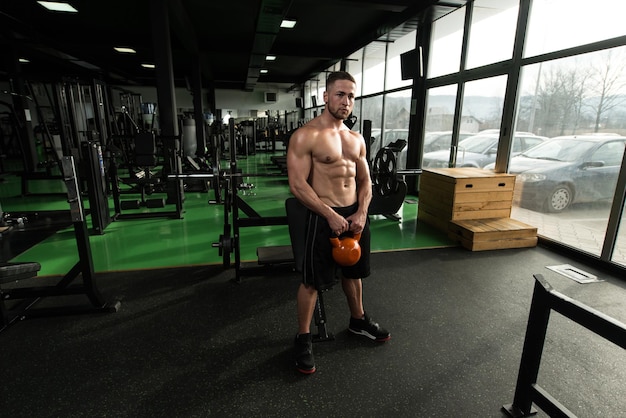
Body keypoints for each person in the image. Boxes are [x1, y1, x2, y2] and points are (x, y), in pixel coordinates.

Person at [287, 71, 390, 375]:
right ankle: (303, 337)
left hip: (354, 216)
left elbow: (365, 181)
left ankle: (358, 321)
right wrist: (330, 215)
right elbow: (297, 185)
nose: (346, 102)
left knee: (354, 273)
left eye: (351, 96)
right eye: (340, 94)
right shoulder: (306, 136)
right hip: (322, 217)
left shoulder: (355, 139)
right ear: (326, 97)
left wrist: (361, 212)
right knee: (312, 282)